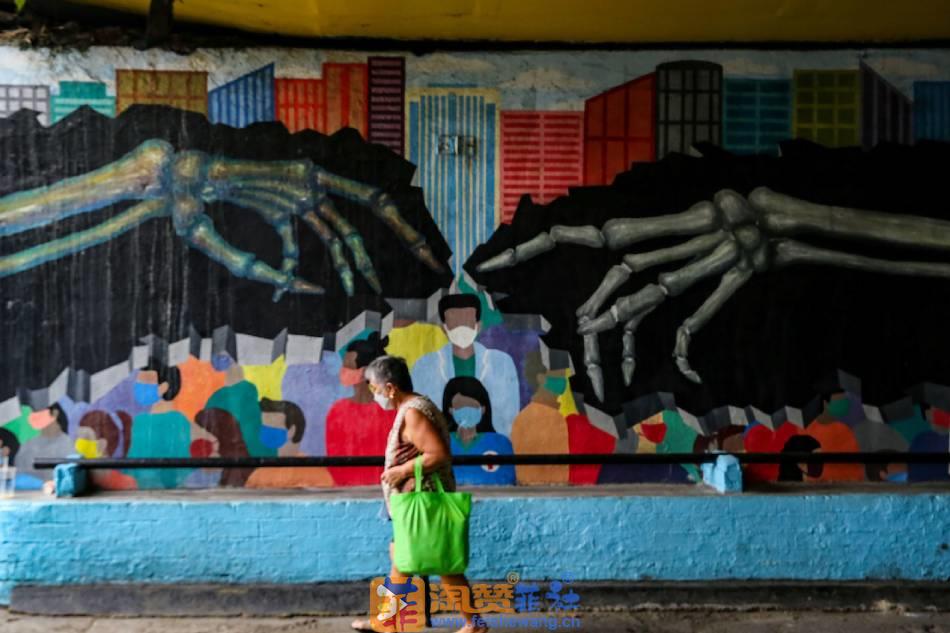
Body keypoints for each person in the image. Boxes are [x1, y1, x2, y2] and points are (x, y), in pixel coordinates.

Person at [350, 355, 488, 633]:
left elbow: (437, 454)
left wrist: (400, 471)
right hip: (414, 503)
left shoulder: (412, 412)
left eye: (376, 390)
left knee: (444, 563)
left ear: (390, 388)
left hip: (423, 502)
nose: (375, 396)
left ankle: (474, 623)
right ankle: (388, 620)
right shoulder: (415, 406)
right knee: (402, 558)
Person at [411, 293, 519, 438]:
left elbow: (510, 415)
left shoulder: (502, 363)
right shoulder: (424, 366)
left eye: (467, 320)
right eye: (454, 320)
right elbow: (419, 415)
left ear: (478, 325)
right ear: (444, 328)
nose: (461, 325)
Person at [325, 332, 394, 485]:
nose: (342, 371)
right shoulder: (338, 411)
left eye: (348, 366)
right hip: (346, 489)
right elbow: (334, 459)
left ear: (364, 373)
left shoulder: (392, 411)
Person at [442, 376, 515, 486]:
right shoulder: (441, 442)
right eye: (460, 407)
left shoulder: (500, 443)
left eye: (472, 406)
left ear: (483, 409)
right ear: (451, 411)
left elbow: (509, 480)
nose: (466, 412)